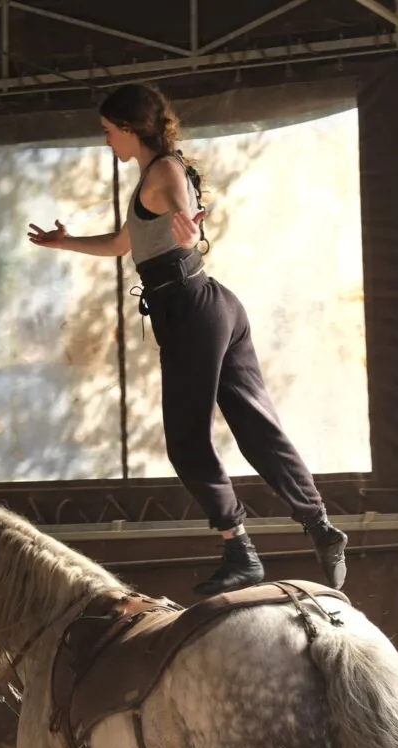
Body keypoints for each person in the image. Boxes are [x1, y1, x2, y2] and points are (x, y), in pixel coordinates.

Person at [28, 82, 347, 597]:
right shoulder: (150, 178)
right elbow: (118, 245)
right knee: (254, 426)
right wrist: (64, 242)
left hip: (191, 312)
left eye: (110, 132)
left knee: (187, 442)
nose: (108, 142)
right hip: (212, 306)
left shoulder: (165, 172)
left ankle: (240, 549)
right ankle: (320, 526)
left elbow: (185, 214)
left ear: (129, 130)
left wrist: (191, 230)